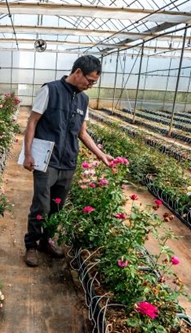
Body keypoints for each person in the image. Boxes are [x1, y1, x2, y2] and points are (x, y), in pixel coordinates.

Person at [22, 55, 113, 267]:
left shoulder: (84, 99)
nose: (90, 86)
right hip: (47, 161)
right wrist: (28, 154)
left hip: (68, 161)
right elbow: (32, 122)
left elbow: (83, 133)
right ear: (77, 72)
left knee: (57, 207)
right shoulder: (50, 90)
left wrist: (101, 154)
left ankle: (47, 241)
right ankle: (31, 245)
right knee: (41, 206)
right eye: (89, 81)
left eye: (94, 83)